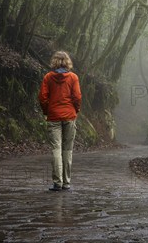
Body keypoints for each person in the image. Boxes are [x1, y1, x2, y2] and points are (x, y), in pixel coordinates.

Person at [38, 51, 81, 191]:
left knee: (56, 149)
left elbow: (43, 97)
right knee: (67, 150)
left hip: (54, 116)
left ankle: (57, 182)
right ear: (67, 62)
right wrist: (76, 110)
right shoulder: (73, 77)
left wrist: (46, 111)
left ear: (54, 61)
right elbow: (77, 97)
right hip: (69, 116)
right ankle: (66, 183)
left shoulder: (48, 77)